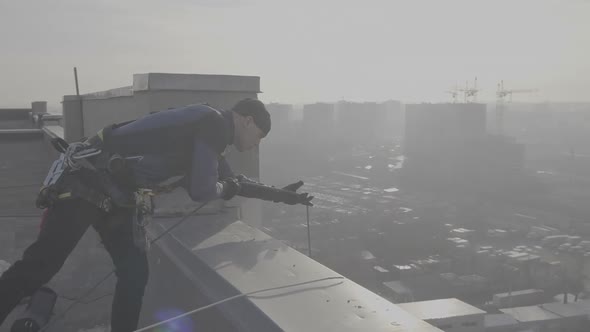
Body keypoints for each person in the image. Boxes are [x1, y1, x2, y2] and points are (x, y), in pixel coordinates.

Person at [0, 99, 313, 332]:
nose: (256, 143)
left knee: (134, 273)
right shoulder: (215, 124)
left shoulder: (211, 134)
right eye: (259, 135)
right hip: (87, 181)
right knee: (40, 265)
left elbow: (234, 183)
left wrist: (281, 195)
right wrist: (227, 185)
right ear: (246, 120)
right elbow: (205, 190)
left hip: (113, 195)